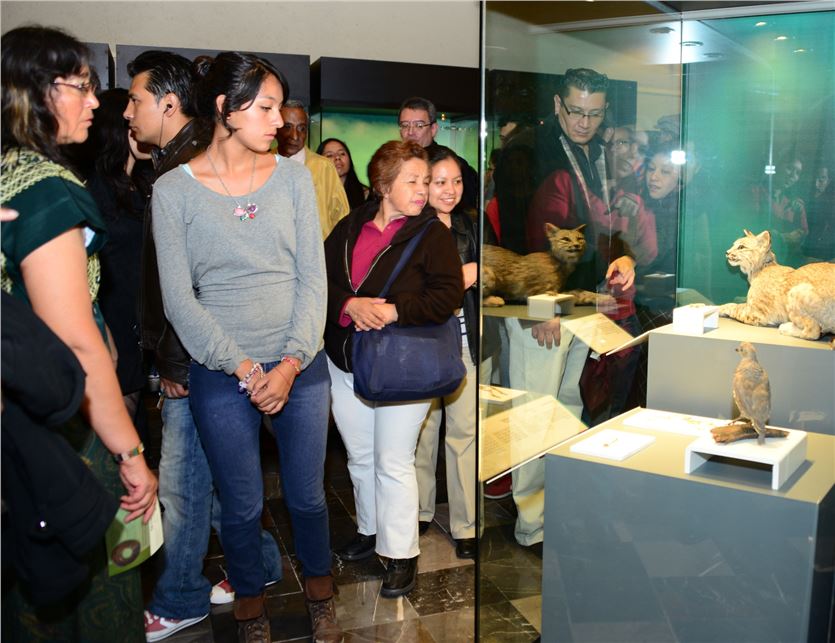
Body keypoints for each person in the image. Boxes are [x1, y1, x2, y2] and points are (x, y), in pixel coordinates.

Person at [152, 51, 340, 643]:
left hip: (299, 363)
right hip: (221, 370)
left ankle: (320, 592)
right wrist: (241, 367)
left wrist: (286, 366)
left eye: (280, 106)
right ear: (224, 110)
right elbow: (179, 300)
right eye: (265, 107)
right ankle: (251, 607)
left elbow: (314, 280)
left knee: (308, 497)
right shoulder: (171, 192)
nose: (280, 120)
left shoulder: (293, 178)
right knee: (239, 503)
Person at [1, 25, 157, 641]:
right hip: (66, 422)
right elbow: (72, 337)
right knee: (93, 589)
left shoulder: (8, 172)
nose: (97, 102)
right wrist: (131, 453)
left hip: (21, 415)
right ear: (38, 93)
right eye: (83, 87)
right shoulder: (46, 189)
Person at [324, 140, 463, 597]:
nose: (423, 190)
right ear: (383, 185)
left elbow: (446, 297)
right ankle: (370, 531)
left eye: (426, 181)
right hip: (345, 359)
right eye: (414, 181)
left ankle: (401, 553)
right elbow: (321, 282)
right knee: (360, 455)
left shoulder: (433, 234)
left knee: (393, 459)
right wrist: (349, 303)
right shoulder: (348, 227)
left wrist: (393, 310)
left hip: (404, 364)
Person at [76, 88, 154, 436]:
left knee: (137, 428)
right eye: (130, 117)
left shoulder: (141, 184)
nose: (139, 123)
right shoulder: (93, 191)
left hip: (137, 324)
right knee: (118, 435)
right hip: (111, 323)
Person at [414, 146, 478, 560]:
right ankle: (418, 512)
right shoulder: (409, 226)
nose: (450, 190)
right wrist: (459, 277)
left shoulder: (469, 226)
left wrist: (482, 271)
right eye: (440, 181)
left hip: (464, 338)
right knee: (421, 433)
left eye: (456, 181)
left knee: (465, 433)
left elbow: (491, 271)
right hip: (421, 342)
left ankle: (467, 525)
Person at [275, 100, 349, 237]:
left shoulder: (324, 167)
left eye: (301, 128)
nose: (295, 136)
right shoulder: (260, 163)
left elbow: (342, 218)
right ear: (275, 128)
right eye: (287, 127)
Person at [398, 96, 479, 211]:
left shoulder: (453, 164)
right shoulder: (395, 163)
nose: (410, 132)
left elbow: (466, 211)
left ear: (433, 129)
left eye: (419, 125)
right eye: (405, 125)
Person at [317, 137, 369, 210]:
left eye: (342, 153)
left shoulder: (366, 194)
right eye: (330, 155)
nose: (337, 157)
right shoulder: (314, 194)